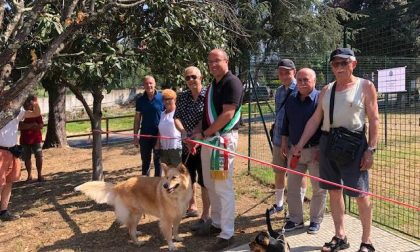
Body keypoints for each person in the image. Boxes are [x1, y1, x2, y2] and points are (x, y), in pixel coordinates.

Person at [292, 48, 379, 252]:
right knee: (333, 191)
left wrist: (371, 150)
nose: (339, 68)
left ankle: (367, 242)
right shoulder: (327, 89)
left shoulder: (365, 86)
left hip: (354, 146)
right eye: (335, 64)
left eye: (343, 63)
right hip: (328, 143)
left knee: (361, 194)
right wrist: (299, 145)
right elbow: (315, 120)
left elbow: (374, 119)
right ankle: (340, 236)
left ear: (353, 64)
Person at [192, 48, 243, 251]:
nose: (213, 64)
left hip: (222, 141)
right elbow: (206, 116)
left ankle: (227, 233)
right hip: (209, 140)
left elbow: (227, 115)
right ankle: (216, 223)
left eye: (217, 60)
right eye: (210, 61)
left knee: (223, 186)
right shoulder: (213, 84)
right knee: (210, 184)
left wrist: (204, 135)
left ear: (226, 61)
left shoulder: (232, 83)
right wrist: (196, 134)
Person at [281, 68, 327, 234]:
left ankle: (315, 220)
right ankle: (295, 219)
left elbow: (326, 127)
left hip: (315, 152)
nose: (301, 83)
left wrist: (321, 148)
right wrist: (285, 140)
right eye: (299, 79)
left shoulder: (321, 100)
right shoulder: (291, 99)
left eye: (305, 80)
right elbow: (286, 122)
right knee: (292, 187)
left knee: (319, 188)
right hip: (295, 152)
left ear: (314, 81)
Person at [173, 66, 210, 225]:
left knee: (204, 181)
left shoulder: (208, 95)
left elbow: (208, 118)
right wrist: (183, 133)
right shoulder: (182, 97)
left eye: (193, 77)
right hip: (187, 144)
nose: (190, 80)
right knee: (187, 178)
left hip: (204, 144)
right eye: (187, 78)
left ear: (201, 77)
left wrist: (195, 134)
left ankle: (206, 214)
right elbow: (177, 117)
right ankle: (192, 206)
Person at [270, 59, 306, 215]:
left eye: (287, 72)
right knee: (278, 171)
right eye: (281, 72)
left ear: (294, 71)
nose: (284, 75)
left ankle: (298, 205)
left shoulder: (300, 89)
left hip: (295, 141)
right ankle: (279, 204)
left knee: (298, 174)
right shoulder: (278, 91)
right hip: (278, 140)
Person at [0, 98, 41, 225]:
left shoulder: (16, 112)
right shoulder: (2, 113)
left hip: (12, 151)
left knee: (9, 182)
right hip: (0, 151)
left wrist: (35, 103)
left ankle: (3, 211)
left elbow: (35, 114)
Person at [133, 75, 164, 177]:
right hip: (145, 136)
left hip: (159, 136)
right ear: (143, 85)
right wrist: (135, 136)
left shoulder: (162, 98)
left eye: (151, 83)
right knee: (145, 162)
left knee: (158, 162)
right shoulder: (140, 100)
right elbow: (137, 119)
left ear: (155, 84)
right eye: (146, 83)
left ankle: (156, 186)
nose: (148, 85)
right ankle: (145, 185)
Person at [19, 95, 44, 182]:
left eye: (30, 103)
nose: (29, 105)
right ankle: (29, 175)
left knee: (39, 156)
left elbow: (41, 125)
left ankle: (40, 175)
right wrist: (32, 125)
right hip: (25, 140)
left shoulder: (36, 114)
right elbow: (19, 127)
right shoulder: (21, 114)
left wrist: (28, 126)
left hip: (36, 139)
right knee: (27, 158)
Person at [156, 89, 182, 166]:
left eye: (169, 99)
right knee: (167, 173)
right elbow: (159, 131)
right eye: (165, 99)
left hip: (176, 147)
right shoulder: (162, 114)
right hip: (164, 148)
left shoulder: (179, 112)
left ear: (174, 99)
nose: (167, 101)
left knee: (177, 173)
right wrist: (157, 146)